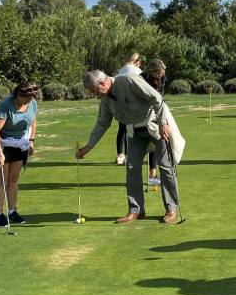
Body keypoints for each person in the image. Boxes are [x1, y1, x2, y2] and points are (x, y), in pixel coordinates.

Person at [76, 68, 180, 224]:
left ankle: (171, 209)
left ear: (103, 83)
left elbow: (156, 98)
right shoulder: (105, 100)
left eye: (95, 91)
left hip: (155, 125)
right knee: (131, 168)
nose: (95, 95)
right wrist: (88, 147)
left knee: (165, 166)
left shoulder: (128, 80)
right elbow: (102, 123)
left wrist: (163, 123)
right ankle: (136, 210)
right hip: (134, 131)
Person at [0, 81, 39, 227]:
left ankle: (12, 212)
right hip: (2, 143)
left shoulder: (32, 103)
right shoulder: (5, 106)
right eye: (27, 98)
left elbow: (33, 122)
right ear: (18, 94)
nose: (29, 101)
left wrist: (31, 141)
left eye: (31, 98)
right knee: (1, 181)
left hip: (20, 144)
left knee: (13, 180)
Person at [142, 58, 167, 189]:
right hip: (142, 114)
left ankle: (153, 176)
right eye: (157, 73)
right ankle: (140, 176)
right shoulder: (142, 79)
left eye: (162, 73)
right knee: (144, 145)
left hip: (157, 112)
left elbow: (160, 96)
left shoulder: (163, 78)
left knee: (156, 141)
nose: (160, 75)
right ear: (150, 71)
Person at [114, 53, 142, 165]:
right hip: (130, 107)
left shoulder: (120, 71)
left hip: (120, 106)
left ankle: (121, 155)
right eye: (139, 63)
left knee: (122, 130)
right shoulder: (137, 72)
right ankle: (127, 155)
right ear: (137, 62)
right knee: (129, 131)